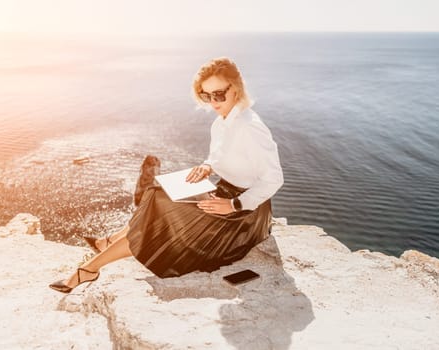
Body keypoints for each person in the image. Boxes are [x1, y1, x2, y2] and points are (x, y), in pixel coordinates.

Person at [49, 56, 284, 293]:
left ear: (236, 88)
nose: (212, 102)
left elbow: (274, 178)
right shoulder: (221, 122)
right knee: (156, 193)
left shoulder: (250, 126)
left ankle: (90, 269)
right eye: (206, 95)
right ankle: (106, 245)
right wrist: (207, 166)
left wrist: (234, 204)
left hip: (243, 216)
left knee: (162, 212)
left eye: (218, 94)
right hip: (223, 193)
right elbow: (223, 156)